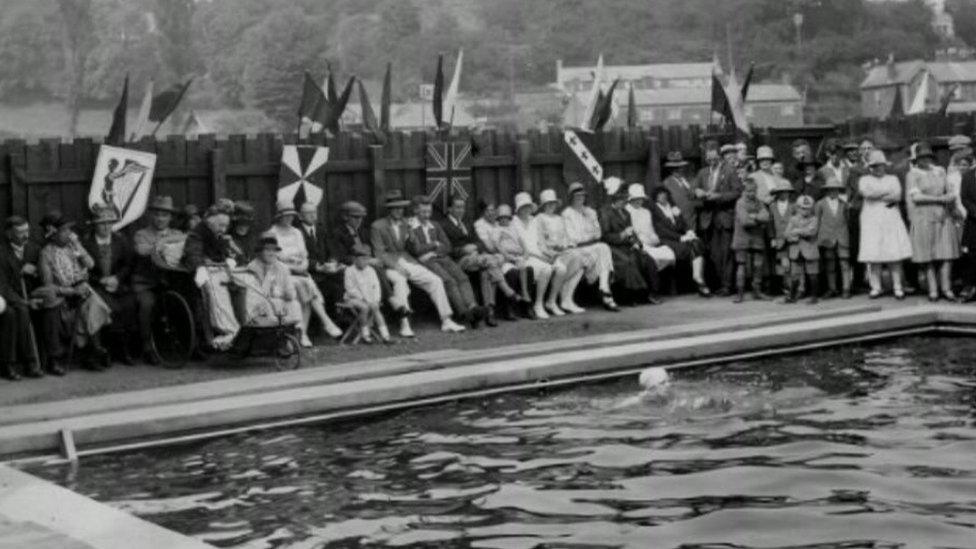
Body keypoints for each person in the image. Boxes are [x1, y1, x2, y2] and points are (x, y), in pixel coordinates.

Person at [370, 190, 465, 333]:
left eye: (401, 207)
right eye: (395, 208)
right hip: (388, 265)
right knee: (400, 282)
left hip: (408, 261)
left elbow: (414, 248)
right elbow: (379, 253)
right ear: (389, 209)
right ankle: (405, 325)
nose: (399, 211)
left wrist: (411, 236)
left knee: (435, 280)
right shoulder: (378, 226)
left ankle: (446, 320)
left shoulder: (406, 223)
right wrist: (395, 266)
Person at [37, 212, 113, 371]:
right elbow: (48, 285)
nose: (69, 234)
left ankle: (92, 351)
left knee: (94, 302)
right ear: (53, 234)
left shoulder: (73, 247)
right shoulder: (46, 253)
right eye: (64, 231)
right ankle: (89, 351)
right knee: (89, 302)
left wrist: (78, 245)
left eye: (68, 230)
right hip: (63, 295)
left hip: (81, 290)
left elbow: (91, 265)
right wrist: (71, 291)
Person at [330, 201, 412, 337]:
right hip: (351, 269)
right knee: (374, 268)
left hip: (367, 268)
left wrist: (369, 260)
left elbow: (370, 249)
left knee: (383, 272)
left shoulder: (363, 231)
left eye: (361, 217)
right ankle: (393, 301)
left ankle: (392, 305)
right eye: (355, 217)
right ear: (345, 217)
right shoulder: (338, 233)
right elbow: (341, 256)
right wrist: (366, 260)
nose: (359, 220)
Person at [267, 200, 342, 346]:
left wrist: (303, 266)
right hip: (281, 275)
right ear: (279, 217)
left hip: (300, 273)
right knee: (305, 285)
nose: (289, 218)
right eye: (286, 215)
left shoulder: (296, 232)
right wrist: (295, 267)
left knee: (304, 288)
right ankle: (325, 323)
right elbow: (275, 260)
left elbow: (304, 256)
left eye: (291, 215)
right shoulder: (272, 233)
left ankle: (303, 334)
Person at [408, 196, 486, 328]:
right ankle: (464, 312)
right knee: (449, 280)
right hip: (426, 261)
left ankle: (473, 307)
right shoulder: (411, 226)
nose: (427, 215)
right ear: (416, 211)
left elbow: (448, 246)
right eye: (423, 212)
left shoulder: (435, 225)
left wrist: (436, 250)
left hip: (442, 257)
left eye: (429, 212)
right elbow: (416, 249)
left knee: (462, 277)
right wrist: (435, 244)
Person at [442, 196, 522, 323]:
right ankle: (508, 291)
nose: (461, 210)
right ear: (449, 208)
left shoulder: (467, 222)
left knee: (487, 271)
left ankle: (489, 311)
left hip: (477, 258)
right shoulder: (444, 225)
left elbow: (480, 243)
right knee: (492, 260)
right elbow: (446, 249)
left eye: (462, 207)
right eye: (457, 207)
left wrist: (474, 248)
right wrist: (463, 250)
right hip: (459, 261)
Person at [82, 206, 138, 366]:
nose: (106, 227)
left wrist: (117, 278)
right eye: (101, 224)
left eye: (109, 223)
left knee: (129, 304)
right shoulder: (86, 243)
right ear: (94, 225)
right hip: (96, 285)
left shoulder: (121, 240)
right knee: (112, 307)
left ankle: (124, 350)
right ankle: (103, 351)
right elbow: (82, 269)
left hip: (117, 283)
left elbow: (128, 264)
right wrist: (100, 280)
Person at [182, 201, 240, 351]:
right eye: (220, 225)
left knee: (245, 282)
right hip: (201, 273)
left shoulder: (219, 234)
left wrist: (230, 258)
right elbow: (193, 255)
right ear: (210, 222)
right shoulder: (197, 234)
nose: (224, 229)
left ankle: (251, 324)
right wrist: (200, 266)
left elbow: (227, 253)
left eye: (225, 225)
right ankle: (230, 330)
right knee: (217, 287)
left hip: (220, 269)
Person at [906, 142, 960, 301]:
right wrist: (939, 199)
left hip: (943, 216)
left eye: (928, 156)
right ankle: (933, 290)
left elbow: (950, 191)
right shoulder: (912, 174)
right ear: (917, 159)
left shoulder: (940, 171)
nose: (926, 160)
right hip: (923, 217)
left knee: (947, 254)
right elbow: (916, 197)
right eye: (922, 157)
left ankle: (946, 288)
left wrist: (949, 197)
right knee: (927, 256)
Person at [131, 196, 183, 365]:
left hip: (169, 283)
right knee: (147, 305)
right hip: (146, 283)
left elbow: (186, 243)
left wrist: (166, 242)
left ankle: (189, 342)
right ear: (151, 216)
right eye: (157, 215)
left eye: (165, 215)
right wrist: (163, 244)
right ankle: (148, 347)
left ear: (170, 218)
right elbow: (142, 250)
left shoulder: (177, 234)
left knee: (186, 300)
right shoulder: (142, 234)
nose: (160, 219)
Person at [511, 191, 579, 319]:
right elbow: (522, 248)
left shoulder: (534, 220)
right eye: (523, 207)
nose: (526, 209)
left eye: (528, 206)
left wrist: (549, 254)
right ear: (518, 209)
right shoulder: (514, 223)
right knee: (547, 269)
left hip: (540, 254)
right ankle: (538, 304)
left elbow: (541, 243)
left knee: (561, 268)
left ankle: (551, 302)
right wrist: (541, 257)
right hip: (525, 257)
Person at [858, 150, 913, 299]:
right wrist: (884, 194)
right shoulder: (864, 179)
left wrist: (877, 194)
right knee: (874, 254)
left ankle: (898, 286)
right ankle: (876, 287)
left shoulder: (893, 178)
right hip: (871, 219)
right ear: (870, 167)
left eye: (880, 165)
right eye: (874, 166)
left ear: (884, 165)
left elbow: (897, 195)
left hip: (890, 218)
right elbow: (866, 193)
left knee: (894, 254)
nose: (878, 168)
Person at [599, 178, 662, 305]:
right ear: (615, 199)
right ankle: (629, 296)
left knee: (646, 258)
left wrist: (637, 244)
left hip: (627, 246)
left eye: (625, 199)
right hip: (612, 247)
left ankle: (651, 293)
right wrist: (622, 235)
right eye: (622, 199)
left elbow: (632, 233)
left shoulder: (626, 213)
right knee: (628, 262)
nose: (624, 202)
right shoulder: (606, 212)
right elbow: (604, 236)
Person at [0, 216, 47, 379]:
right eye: (20, 232)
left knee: (25, 311)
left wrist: (34, 272)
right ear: (9, 234)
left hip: (32, 295)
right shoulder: (1, 253)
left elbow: (43, 277)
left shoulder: (35, 249)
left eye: (27, 231)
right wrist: (24, 301)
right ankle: (14, 364)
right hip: (7, 299)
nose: (25, 235)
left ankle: (43, 360)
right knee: (13, 314)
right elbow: (2, 286)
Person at [562, 182, 619, 311]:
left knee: (603, 247)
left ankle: (604, 287)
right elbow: (573, 238)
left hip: (591, 248)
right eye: (576, 197)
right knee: (601, 250)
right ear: (571, 198)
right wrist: (589, 235)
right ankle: (606, 295)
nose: (580, 199)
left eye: (582, 196)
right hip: (575, 250)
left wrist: (589, 233)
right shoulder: (567, 214)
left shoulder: (590, 212)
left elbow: (598, 234)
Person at [644, 185, 709, 296]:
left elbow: (683, 224)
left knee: (696, 242)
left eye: (665, 194)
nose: (663, 197)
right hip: (665, 240)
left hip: (678, 238)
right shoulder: (654, 210)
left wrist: (689, 231)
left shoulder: (673, 207)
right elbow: (661, 231)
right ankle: (699, 281)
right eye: (660, 195)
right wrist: (680, 237)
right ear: (655, 197)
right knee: (692, 246)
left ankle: (698, 278)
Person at [534, 188, 588, 315]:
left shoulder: (559, 219)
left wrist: (564, 246)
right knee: (562, 267)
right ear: (543, 206)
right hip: (546, 253)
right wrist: (550, 251)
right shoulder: (539, 219)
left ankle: (561, 299)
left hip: (560, 251)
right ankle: (551, 300)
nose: (551, 206)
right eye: (548, 204)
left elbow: (565, 237)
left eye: (553, 203)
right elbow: (539, 241)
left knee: (579, 259)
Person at [701, 144, 743, 296]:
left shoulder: (730, 171)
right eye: (709, 158)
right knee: (714, 254)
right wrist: (698, 192)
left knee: (726, 254)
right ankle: (718, 284)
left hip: (725, 216)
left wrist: (719, 196)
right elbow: (692, 192)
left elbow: (738, 192)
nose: (712, 161)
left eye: (714, 158)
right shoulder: (703, 173)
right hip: (709, 219)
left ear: (720, 157)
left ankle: (727, 286)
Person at [238, 233, 302, 329]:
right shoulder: (253, 267)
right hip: (259, 306)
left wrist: (282, 294)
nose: (271, 253)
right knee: (266, 305)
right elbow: (257, 294)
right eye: (267, 250)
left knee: (294, 304)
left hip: (279, 303)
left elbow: (291, 293)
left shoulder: (283, 268)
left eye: (274, 250)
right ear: (260, 252)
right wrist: (269, 275)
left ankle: (295, 333)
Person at [343, 243, 392, 344]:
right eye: (362, 259)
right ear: (355, 259)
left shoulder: (371, 270)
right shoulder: (349, 271)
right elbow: (350, 289)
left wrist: (376, 299)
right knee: (364, 307)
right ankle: (366, 335)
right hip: (353, 298)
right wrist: (364, 298)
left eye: (366, 259)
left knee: (375, 308)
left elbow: (376, 287)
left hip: (370, 298)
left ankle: (386, 336)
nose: (364, 262)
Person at [731, 177, 770, 303]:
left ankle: (756, 291)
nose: (751, 193)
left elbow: (766, 216)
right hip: (742, 237)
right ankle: (740, 293)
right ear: (744, 191)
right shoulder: (740, 203)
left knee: (758, 265)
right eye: (748, 191)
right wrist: (759, 220)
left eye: (753, 191)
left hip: (757, 237)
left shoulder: (759, 202)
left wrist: (754, 217)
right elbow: (745, 221)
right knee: (741, 265)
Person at [489, 204, 535, 309]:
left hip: (516, 255)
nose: (504, 220)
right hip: (505, 257)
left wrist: (525, 252)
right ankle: (510, 306)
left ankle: (524, 292)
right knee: (512, 271)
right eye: (501, 218)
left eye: (506, 218)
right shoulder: (497, 230)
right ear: (498, 219)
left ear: (510, 219)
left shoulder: (513, 228)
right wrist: (507, 255)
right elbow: (497, 245)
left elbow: (521, 241)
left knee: (524, 267)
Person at [815, 177, 852, 299]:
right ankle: (832, 288)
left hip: (842, 237)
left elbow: (847, 220)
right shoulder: (820, 204)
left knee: (844, 263)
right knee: (830, 264)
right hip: (826, 237)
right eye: (830, 190)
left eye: (835, 190)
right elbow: (817, 221)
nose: (833, 192)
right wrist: (817, 238)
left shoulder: (844, 204)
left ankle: (846, 288)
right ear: (826, 191)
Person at [784, 195, 821, 304]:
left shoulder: (814, 219)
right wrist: (794, 235)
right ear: (798, 208)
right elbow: (786, 234)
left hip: (810, 250)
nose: (805, 211)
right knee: (795, 274)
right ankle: (792, 296)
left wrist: (796, 231)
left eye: (808, 208)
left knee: (812, 274)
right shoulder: (793, 219)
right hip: (796, 250)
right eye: (803, 208)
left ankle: (814, 297)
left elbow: (811, 232)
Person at [661, 151, 699, 229]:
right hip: (678, 221)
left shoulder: (689, 181)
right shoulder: (666, 183)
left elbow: (695, 197)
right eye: (674, 168)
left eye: (679, 167)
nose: (677, 170)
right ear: (670, 170)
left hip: (692, 219)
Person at [957, 148, 976, 301]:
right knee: (971, 257)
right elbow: (964, 198)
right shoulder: (968, 176)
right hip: (974, 223)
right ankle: (969, 287)